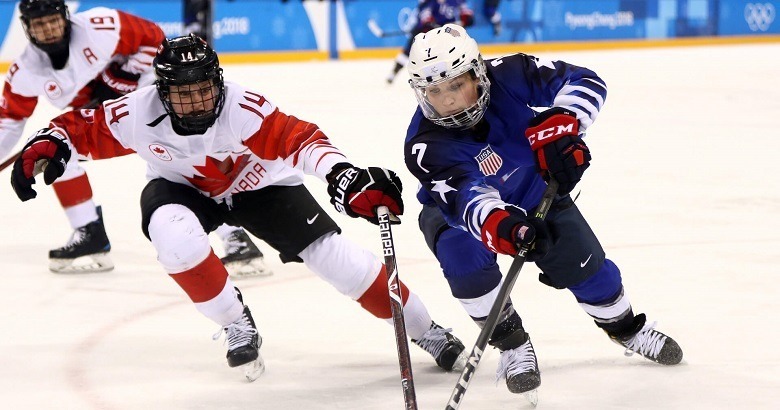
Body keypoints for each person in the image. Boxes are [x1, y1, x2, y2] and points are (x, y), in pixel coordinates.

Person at [10, 34, 466, 380]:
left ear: (219, 81)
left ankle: (425, 328)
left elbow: (300, 140)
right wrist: (50, 142)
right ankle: (236, 322)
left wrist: (342, 174)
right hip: (180, 188)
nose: (195, 101)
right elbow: (78, 127)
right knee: (173, 239)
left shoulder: (243, 108)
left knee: (341, 262)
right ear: (162, 92)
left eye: (203, 89)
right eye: (182, 93)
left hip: (259, 186)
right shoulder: (135, 111)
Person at [402, 24, 683, 398]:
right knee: (462, 256)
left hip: (537, 190)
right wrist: (508, 229)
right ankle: (512, 344)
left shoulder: (510, 73)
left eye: (455, 85)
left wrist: (562, 128)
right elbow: (469, 200)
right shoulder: (425, 144)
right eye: (434, 91)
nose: (448, 100)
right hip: (458, 216)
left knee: (591, 273)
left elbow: (584, 81)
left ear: (477, 72)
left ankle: (625, 328)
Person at [0, 0, 268, 277]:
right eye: (40, 24)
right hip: (106, 120)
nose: (49, 29)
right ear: (27, 28)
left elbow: (154, 38)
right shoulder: (25, 72)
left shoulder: (101, 26)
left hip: (152, 103)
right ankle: (90, 234)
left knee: (185, 167)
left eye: (53, 20)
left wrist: (124, 77)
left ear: (65, 17)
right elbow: (8, 123)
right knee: (56, 152)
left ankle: (236, 238)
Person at [386, 0, 474, 84]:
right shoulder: (430, 2)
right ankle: (394, 72)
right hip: (426, 32)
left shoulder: (457, 1)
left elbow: (466, 14)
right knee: (409, 51)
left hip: (446, 32)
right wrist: (430, 23)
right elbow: (425, 15)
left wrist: (466, 19)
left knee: (459, 46)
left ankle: (464, 72)